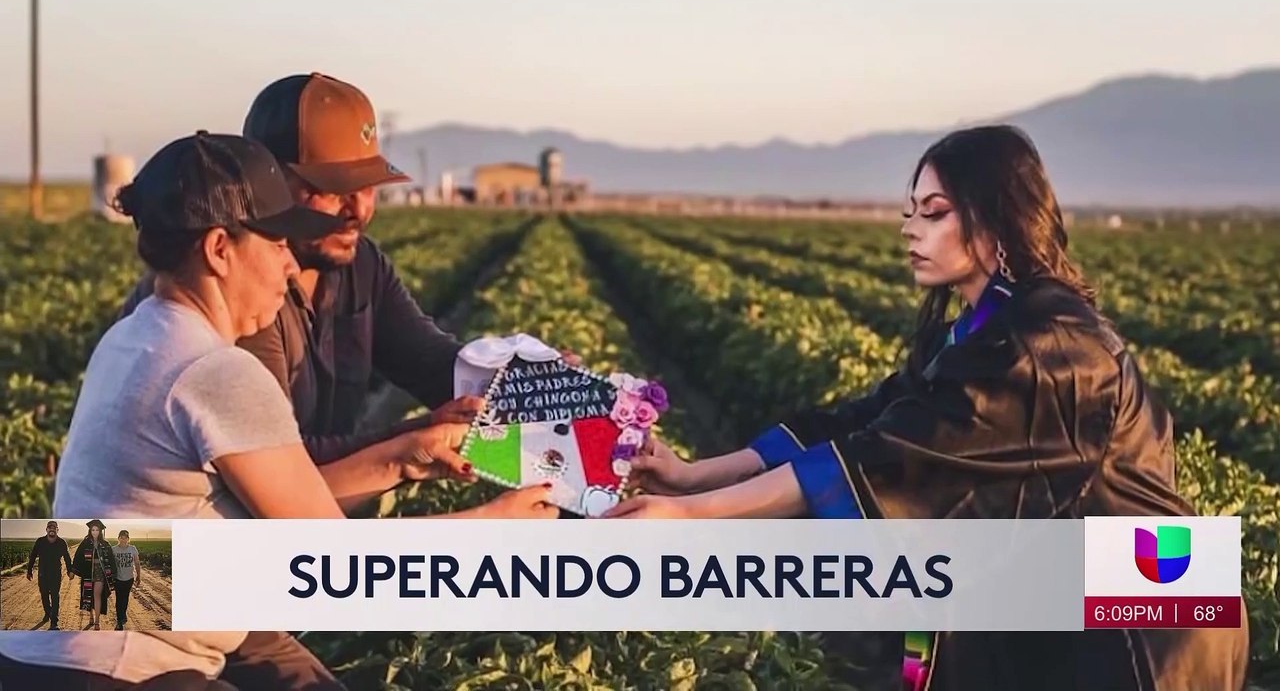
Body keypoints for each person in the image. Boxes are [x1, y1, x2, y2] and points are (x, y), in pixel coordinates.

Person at [604, 125, 1251, 690]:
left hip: (1147, 619)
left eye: (935, 210)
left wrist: (690, 515)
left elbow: (889, 455)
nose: (910, 226)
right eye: (910, 209)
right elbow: (867, 420)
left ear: (997, 219)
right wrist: (694, 476)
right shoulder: (985, 327)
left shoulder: (1046, 345)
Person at [0, 131, 558, 691]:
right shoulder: (219, 371)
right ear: (220, 249)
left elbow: (289, 503)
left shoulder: (135, 336)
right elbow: (333, 563)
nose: (291, 267)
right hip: (114, 668)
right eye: (278, 244)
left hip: (41, 634)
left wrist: (401, 459)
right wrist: (493, 525)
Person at [118, 72, 579, 467]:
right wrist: (419, 441)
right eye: (334, 189)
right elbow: (285, 471)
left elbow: (431, 363)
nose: (357, 209)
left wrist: (527, 391)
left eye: (369, 186)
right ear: (266, 180)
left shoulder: (360, 266)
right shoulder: (230, 299)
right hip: (160, 562)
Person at [25, 520, 74, 630]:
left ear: (57, 530)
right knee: (44, 595)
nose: (52, 529)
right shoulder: (40, 541)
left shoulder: (62, 543)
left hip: (56, 574)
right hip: (42, 573)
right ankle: (48, 612)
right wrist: (29, 570)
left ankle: (54, 622)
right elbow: (33, 556)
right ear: (46, 529)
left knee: (55, 596)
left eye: (54, 527)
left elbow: (67, 558)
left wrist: (69, 571)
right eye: (49, 527)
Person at [72, 519, 118, 631]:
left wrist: (114, 573)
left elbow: (111, 559)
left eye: (97, 530)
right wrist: (73, 570)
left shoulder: (105, 544)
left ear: (100, 531)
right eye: (93, 530)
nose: (95, 532)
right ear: (90, 530)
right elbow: (78, 556)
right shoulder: (85, 542)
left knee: (97, 595)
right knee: (89, 595)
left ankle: (97, 621)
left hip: (100, 572)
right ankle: (91, 616)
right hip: (88, 572)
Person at [112, 529, 142, 631]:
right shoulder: (114, 549)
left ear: (128, 539)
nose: (123, 539)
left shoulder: (133, 549)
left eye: (125, 537)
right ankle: (119, 620)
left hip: (129, 578)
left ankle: (123, 614)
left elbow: (137, 563)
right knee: (119, 599)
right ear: (118, 538)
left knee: (125, 598)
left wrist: (138, 576)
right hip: (118, 579)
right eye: (121, 537)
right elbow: (110, 564)